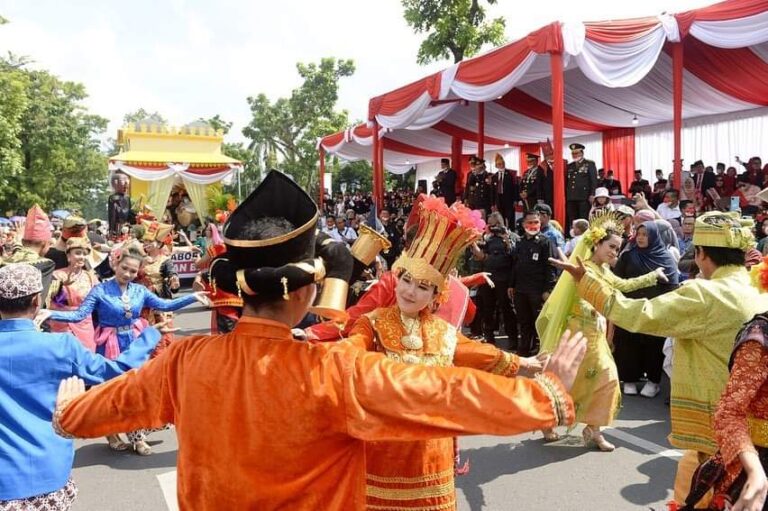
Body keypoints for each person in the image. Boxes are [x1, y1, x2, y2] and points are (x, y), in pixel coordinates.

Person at [51, 170, 587, 510]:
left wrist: (72, 413)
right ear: (307, 293)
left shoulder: (185, 359)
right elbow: (439, 394)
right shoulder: (332, 369)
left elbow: (117, 402)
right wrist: (547, 397)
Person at [553, 210, 768, 507]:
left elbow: (636, 314)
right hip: (755, 425)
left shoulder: (706, 294)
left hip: (717, 431)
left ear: (702, 254)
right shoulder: (758, 285)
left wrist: (586, 282)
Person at [344, 196, 545, 510]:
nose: (411, 292)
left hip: (431, 460)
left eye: (423, 287)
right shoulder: (371, 324)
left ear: (436, 295)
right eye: (407, 281)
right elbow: (344, 357)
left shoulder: (443, 334)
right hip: (382, 454)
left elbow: (485, 356)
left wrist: (529, 364)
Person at [0, 263, 161, 511]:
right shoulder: (60, 346)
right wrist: (149, 337)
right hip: (49, 472)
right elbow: (113, 370)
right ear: (36, 301)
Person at [40, 243, 207, 455]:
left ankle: (136, 435)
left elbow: (164, 305)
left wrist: (192, 298)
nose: (128, 274)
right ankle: (118, 434)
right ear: (116, 264)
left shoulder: (140, 291)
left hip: (137, 341)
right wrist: (50, 314)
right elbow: (78, 315)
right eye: (125, 268)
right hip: (110, 345)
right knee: (116, 391)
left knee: (140, 389)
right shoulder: (100, 290)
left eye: (133, 271)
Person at [539, 213, 668, 449]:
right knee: (568, 381)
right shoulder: (583, 268)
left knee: (607, 379)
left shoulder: (604, 270)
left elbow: (622, 286)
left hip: (595, 335)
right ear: (596, 244)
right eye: (611, 247)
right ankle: (548, 421)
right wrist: (595, 308)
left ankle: (594, 429)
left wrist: (652, 276)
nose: (614, 253)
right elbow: (588, 296)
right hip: (578, 333)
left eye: (617, 249)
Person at [612, 221, 680, 398]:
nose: (641, 238)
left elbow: (673, 284)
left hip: (655, 311)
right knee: (628, 344)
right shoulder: (628, 255)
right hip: (630, 308)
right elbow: (617, 280)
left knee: (654, 346)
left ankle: (653, 381)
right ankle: (629, 380)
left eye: (645, 234)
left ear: (654, 236)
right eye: (639, 234)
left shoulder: (665, 257)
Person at [512, 210, 557, 358]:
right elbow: (514, 265)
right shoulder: (519, 242)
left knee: (539, 321)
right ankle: (524, 349)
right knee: (524, 321)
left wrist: (547, 289)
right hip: (520, 288)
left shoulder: (545, 242)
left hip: (537, 290)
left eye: (536, 222)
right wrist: (511, 285)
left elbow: (550, 267)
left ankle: (540, 350)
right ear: (524, 224)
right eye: (530, 222)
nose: (533, 225)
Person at [470, 211, 517, 347]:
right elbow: (481, 256)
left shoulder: (511, 236)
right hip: (489, 278)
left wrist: (506, 238)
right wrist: (473, 243)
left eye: (495, 225)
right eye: (490, 225)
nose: (492, 228)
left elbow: (514, 255)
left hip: (504, 278)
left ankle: (513, 339)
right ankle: (489, 337)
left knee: (506, 309)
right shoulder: (488, 239)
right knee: (487, 308)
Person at [47, 238, 99, 351]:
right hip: (61, 325)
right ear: (68, 256)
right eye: (78, 253)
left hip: (84, 325)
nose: (82, 257)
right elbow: (49, 300)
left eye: (85, 254)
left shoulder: (91, 277)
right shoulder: (57, 275)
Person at [0, 204, 56, 298]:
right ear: (44, 244)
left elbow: (19, 254)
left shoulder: (4, 262)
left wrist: (17, 241)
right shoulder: (47, 265)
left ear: (23, 241)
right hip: (29, 311)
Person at [565, 143, 598, 226]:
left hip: (584, 196)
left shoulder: (589, 164)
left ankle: (584, 236)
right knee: (572, 218)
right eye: (573, 153)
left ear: (582, 153)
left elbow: (593, 180)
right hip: (571, 197)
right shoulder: (570, 166)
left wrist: (592, 194)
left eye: (576, 153)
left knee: (583, 218)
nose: (574, 155)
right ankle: (573, 235)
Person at [494, 153, 519, 228]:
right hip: (499, 199)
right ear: (496, 165)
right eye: (499, 164)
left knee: (510, 216)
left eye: (502, 163)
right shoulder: (494, 176)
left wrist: (515, 199)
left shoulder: (510, 174)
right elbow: (492, 191)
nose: (501, 165)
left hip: (509, 199)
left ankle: (511, 231)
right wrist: (493, 203)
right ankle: (502, 230)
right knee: (501, 217)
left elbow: (515, 187)